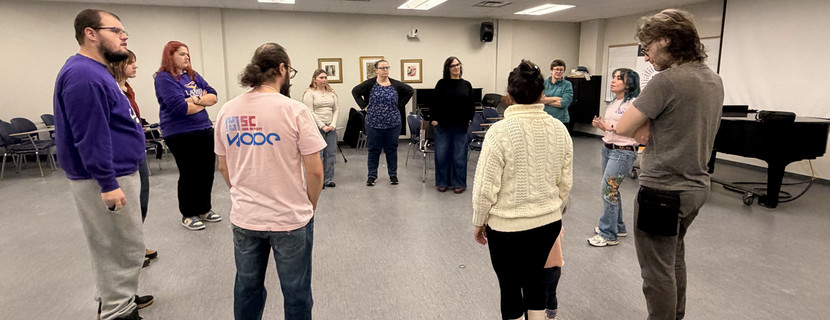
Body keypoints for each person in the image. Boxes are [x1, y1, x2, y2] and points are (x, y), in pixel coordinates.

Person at [614, 9, 724, 320]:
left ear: (666, 40)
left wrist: (646, 125)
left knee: (655, 271)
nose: (646, 58)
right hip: (696, 187)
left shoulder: (666, 82)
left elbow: (623, 127)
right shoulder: (712, 79)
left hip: (663, 190)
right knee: (674, 257)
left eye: (648, 48)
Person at [53, 9, 152, 320]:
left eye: (124, 32)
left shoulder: (96, 70)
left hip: (117, 171)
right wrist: (108, 183)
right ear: (90, 33)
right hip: (107, 178)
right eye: (116, 30)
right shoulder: (84, 75)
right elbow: (90, 136)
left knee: (114, 246)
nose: (124, 36)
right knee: (121, 249)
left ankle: (115, 298)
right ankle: (118, 311)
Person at [215, 42, 325, 320]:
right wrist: (308, 206)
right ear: (281, 69)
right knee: (296, 292)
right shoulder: (295, 110)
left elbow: (224, 167)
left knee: (247, 288)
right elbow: (314, 171)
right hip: (289, 218)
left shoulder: (227, 110)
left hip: (245, 218)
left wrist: (245, 194)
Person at [472, 60, 573, 320]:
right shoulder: (559, 129)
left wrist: (479, 221)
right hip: (548, 223)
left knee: (510, 288)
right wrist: (552, 209)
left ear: (509, 96)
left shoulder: (499, 132)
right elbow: (565, 182)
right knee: (536, 281)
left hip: (507, 228)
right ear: (542, 94)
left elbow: (485, 187)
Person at [154, 40, 222, 231]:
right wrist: (202, 102)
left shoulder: (192, 75)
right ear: (170, 56)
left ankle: (204, 209)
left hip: (203, 128)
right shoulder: (164, 78)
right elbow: (180, 108)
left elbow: (214, 95)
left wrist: (195, 100)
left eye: (188, 54)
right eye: (182, 54)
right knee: (190, 173)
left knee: (207, 171)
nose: (187, 57)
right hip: (179, 133)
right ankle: (188, 214)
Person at [107, 49, 159, 268]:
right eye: (131, 63)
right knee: (126, 209)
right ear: (117, 65)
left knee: (141, 201)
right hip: (122, 157)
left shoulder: (127, 89)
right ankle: (129, 252)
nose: (136, 66)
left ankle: (136, 245)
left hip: (137, 152)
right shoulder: (111, 90)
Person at [587, 68, 641, 247]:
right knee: (612, 190)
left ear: (629, 83)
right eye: (614, 77)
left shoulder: (633, 104)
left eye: (619, 78)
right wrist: (602, 126)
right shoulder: (614, 102)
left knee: (607, 190)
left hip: (623, 152)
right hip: (609, 149)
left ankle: (608, 234)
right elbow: (614, 130)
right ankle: (618, 226)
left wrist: (608, 126)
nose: (613, 81)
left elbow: (633, 131)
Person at [351, 60, 414, 186]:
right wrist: (364, 106)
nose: (385, 70)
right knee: (374, 150)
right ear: (377, 70)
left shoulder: (395, 84)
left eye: (387, 67)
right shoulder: (370, 84)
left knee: (391, 150)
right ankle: (372, 176)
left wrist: (400, 105)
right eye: (382, 68)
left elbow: (410, 91)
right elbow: (355, 91)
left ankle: (393, 175)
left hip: (393, 123)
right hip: (373, 123)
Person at [430, 56, 475, 194]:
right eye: (453, 65)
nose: (456, 67)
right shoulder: (441, 84)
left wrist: (470, 118)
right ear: (448, 69)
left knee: (459, 155)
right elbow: (434, 102)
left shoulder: (466, 84)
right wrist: (434, 119)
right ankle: (442, 182)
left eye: (458, 65)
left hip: (460, 126)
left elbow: (471, 104)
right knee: (442, 154)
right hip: (443, 125)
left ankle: (459, 183)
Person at [302, 69, 339, 188]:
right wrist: (322, 125)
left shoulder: (332, 93)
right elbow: (309, 111)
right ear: (315, 79)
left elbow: (336, 109)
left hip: (331, 127)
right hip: (317, 127)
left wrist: (333, 124)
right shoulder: (310, 93)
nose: (324, 80)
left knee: (331, 153)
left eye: (325, 77)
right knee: (319, 154)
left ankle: (328, 179)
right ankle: (319, 180)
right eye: (321, 78)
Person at [540, 60, 574, 132]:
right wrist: (555, 98)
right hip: (545, 119)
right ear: (551, 71)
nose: (559, 72)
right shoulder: (543, 83)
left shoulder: (567, 85)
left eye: (561, 70)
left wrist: (545, 100)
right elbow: (539, 100)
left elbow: (563, 103)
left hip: (561, 121)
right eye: (556, 69)